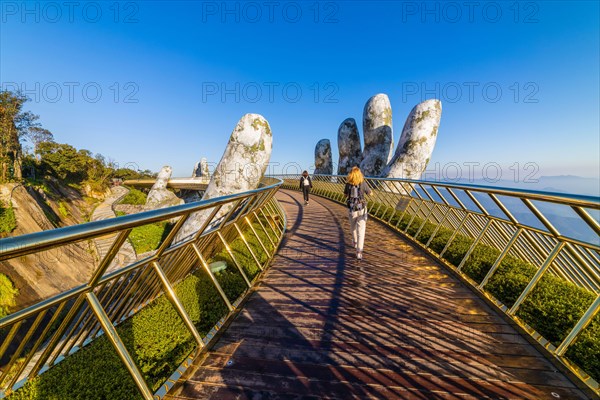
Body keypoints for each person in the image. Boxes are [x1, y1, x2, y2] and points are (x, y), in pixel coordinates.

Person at [344, 166, 371, 260]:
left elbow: (345, 195)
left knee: (353, 227)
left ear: (351, 174)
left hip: (352, 208)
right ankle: (359, 251)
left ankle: (355, 241)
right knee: (361, 230)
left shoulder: (348, 184)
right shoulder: (363, 182)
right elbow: (370, 193)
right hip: (362, 208)